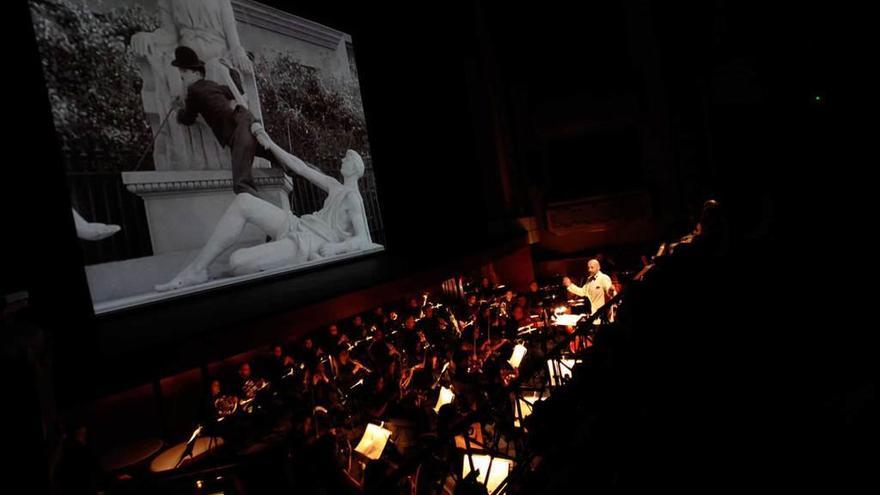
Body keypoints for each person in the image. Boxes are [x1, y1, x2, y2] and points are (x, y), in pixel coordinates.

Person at [155, 122, 377, 291]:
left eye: (347, 160)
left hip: (310, 242)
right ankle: (197, 270)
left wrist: (336, 249)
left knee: (237, 261)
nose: (342, 161)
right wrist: (270, 144)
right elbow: (300, 167)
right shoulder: (334, 185)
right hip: (299, 225)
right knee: (244, 201)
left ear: (355, 169)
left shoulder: (352, 198)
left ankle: (266, 261)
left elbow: (363, 239)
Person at [169, 46, 272, 196]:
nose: (182, 77)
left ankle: (266, 217)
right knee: (280, 158)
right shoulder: (213, 86)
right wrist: (231, 70)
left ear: (196, 73)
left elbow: (188, 119)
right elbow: (237, 89)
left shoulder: (193, 91)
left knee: (242, 185)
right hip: (245, 123)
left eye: (184, 72)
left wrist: (177, 110)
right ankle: (312, 171)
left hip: (237, 133)